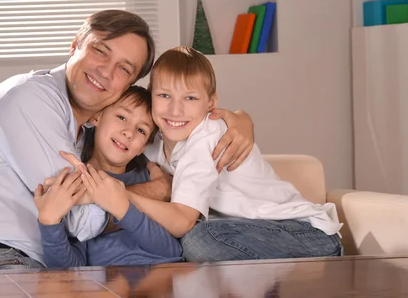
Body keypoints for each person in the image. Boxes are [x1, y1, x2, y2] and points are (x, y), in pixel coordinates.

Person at [0, 10, 254, 272]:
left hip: (37, 265)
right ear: (75, 43)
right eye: (100, 51)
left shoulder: (93, 131)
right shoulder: (32, 99)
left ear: (129, 86)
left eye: (124, 68)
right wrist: (159, 189)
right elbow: (82, 220)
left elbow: (171, 127)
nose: (106, 71)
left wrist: (239, 120)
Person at [129, 46, 343, 262]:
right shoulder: (154, 140)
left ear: (211, 103)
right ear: (151, 95)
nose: (175, 110)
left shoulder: (209, 134)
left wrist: (121, 197)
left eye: (190, 98)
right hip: (241, 231)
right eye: (164, 95)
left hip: (303, 233)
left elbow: (183, 220)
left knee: (197, 240)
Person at [35, 86, 183, 267]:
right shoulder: (75, 184)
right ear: (97, 116)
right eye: (122, 117)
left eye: (142, 130)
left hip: (165, 275)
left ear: (143, 147)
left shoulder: (153, 181)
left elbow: (173, 251)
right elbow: (68, 269)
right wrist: (49, 222)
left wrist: (123, 208)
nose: (129, 132)